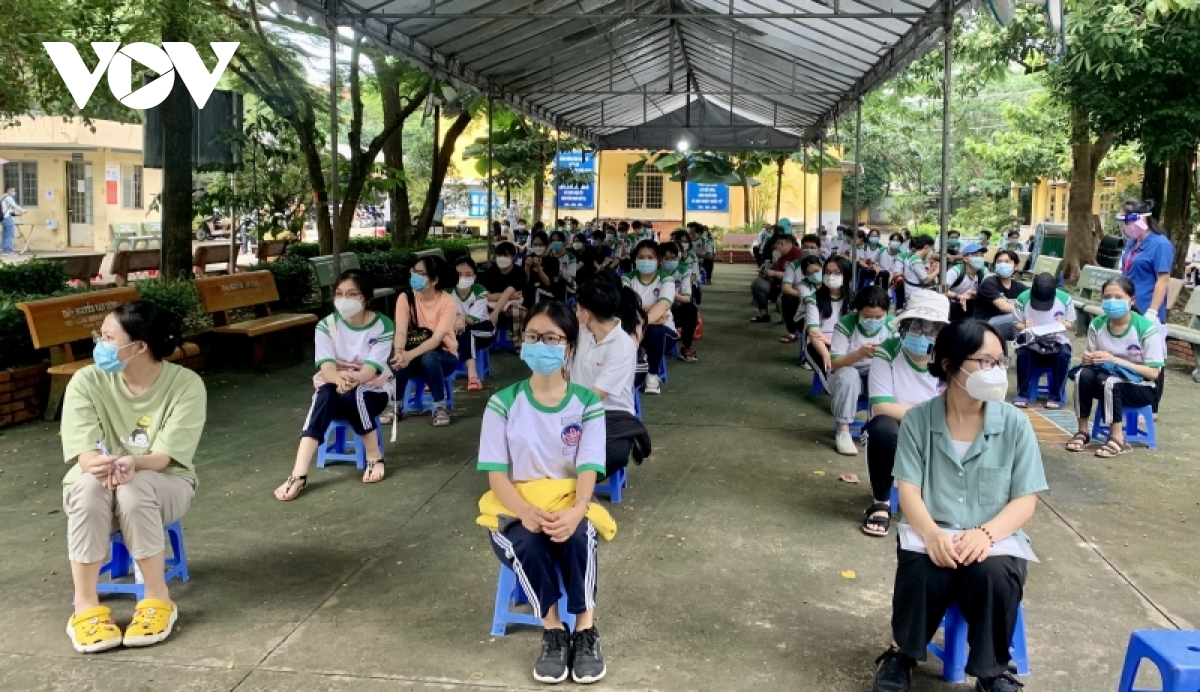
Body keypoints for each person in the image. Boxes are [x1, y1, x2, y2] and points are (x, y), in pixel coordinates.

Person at [870, 319, 1047, 692]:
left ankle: (992, 672)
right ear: (950, 365)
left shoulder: (1015, 424)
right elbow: (909, 490)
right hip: (933, 531)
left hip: (994, 539)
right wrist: (932, 534)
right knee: (921, 571)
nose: (995, 371)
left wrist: (986, 534)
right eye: (984, 361)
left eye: (1000, 362)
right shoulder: (919, 420)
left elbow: (1025, 499)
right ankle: (901, 655)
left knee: (994, 576)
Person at [476, 301, 611, 685]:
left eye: (552, 338)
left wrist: (578, 510)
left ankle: (585, 630)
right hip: (514, 508)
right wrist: (525, 512)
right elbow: (496, 476)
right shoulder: (502, 403)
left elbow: (588, 468)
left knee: (579, 536)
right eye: (533, 336)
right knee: (528, 543)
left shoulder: (587, 404)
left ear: (569, 346)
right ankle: (553, 631)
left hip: (569, 503)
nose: (541, 345)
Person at [62, 301, 207, 651]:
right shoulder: (86, 381)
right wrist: (98, 464)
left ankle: (157, 599)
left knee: (134, 487)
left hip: (165, 482)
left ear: (139, 346)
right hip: (98, 484)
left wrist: (133, 463)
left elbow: (164, 457)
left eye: (108, 338)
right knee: (89, 487)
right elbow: (84, 451)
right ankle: (85, 606)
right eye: (100, 336)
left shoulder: (185, 385)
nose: (100, 344)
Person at [862, 291, 951, 538]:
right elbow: (882, 406)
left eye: (932, 329)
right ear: (903, 326)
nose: (923, 334)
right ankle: (881, 502)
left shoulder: (951, 359)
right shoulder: (887, 351)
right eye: (916, 326)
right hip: (899, 426)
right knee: (881, 427)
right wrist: (928, 413)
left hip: (938, 428)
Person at [1066, 276, 1164, 458]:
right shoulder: (1097, 324)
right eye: (1107, 297)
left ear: (1131, 300)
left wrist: (1115, 360)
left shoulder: (1146, 328)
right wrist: (1088, 359)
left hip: (1142, 387)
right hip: (1104, 382)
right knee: (1082, 375)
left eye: (1118, 297)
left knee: (1110, 381)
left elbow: (1153, 373)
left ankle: (1117, 438)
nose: (1112, 301)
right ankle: (1082, 431)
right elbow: (1092, 360)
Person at [571, 281, 648, 477]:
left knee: (613, 454)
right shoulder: (579, 333)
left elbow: (595, 396)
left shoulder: (622, 346)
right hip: (575, 408)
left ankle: (571, 485)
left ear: (586, 313)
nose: (575, 313)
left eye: (577, 308)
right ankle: (563, 481)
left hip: (611, 414)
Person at [1116, 198, 1173, 414]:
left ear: (1142, 219)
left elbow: (1163, 279)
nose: (1126, 226)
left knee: (1153, 356)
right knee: (1133, 353)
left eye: (1128, 220)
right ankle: (1132, 397)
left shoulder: (1160, 244)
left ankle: (1152, 407)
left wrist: (1152, 310)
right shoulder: (1133, 243)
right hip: (1129, 305)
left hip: (1148, 308)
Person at [392, 255, 459, 427]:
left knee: (429, 357)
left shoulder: (448, 302)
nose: (415, 276)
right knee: (396, 358)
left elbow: (436, 340)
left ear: (434, 280)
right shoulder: (406, 298)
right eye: (414, 271)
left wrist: (409, 355)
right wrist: (399, 352)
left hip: (444, 357)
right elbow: (401, 331)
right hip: (413, 357)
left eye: (421, 273)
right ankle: (395, 406)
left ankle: (440, 407)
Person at [828, 286, 893, 456]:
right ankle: (843, 430)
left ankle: (879, 426)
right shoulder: (847, 324)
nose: (873, 321)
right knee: (848, 375)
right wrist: (859, 353)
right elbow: (834, 363)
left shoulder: (892, 325)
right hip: (847, 374)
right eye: (867, 316)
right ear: (858, 312)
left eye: (878, 317)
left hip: (876, 374)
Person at [1012, 272, 1075, 409]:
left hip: (1056, 340)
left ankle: (1056, 396)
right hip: (1032, 341)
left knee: (1063, 354)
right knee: (1023, 353)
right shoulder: (1022, 298)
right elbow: (1016, 323)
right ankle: (1023, 393)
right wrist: (1025, 325)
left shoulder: (1065, 299)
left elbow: (1071, 323)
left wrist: (1063, 323)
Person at [623, 240, 675, 395]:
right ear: (635, 259)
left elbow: (663, 304)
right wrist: (650, 310)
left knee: (654, 332)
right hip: (633, 327)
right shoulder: (626, 279)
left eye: (650, 257)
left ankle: (652, 375)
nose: (646, 261)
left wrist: (642, 320)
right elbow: (626, 306)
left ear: (658, 260)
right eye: (641, 257)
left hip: (663, 332)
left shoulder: (666, 279)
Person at [802, 256, 854, 391]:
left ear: (846, 275)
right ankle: (833, 390)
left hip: (846, 343)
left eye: (837, 272)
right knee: (830, 369)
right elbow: (814, 333)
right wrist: (826, 354)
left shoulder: (854, 299)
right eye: (827, 272)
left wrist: (832, 341)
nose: (831, 276)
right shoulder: (814, 299)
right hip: (819, 345)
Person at [451, 257, 495, 392]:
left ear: (474, 277)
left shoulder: (479, 291)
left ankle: (472, 374)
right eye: (459, 274)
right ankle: (438, 374)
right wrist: (456, 320)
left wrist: (459, 318)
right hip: (457, 329)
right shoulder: (447, 291)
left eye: (468, 274)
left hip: (484, 330)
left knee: (466, 331)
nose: (463, 278)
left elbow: (471, 320)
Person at [481, 242, 529, 345]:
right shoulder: (490, 272)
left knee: (517, 311)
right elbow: (486, 296)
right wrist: (510, 297)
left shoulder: (519, 273)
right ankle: (484, 341)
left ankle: (518, 342)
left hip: (510, 307)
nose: (502, 258)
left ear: (513, 257)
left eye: (505, 255)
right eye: (499, 255)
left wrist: (496, 312)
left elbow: (508, 292)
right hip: (491, 305)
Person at [974, 250, 1027, 341]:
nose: (1003, 264)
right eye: (999, 262)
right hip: (985, 325)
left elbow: (1033, 299)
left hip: (1003, 323)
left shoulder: (1019, 286)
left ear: (1016, 266)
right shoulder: (989, 282)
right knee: (1016, 318)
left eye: (1007, 262)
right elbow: (1004, 307)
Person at [750, 232, 801, 323]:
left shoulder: (797, 254)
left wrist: (773, 273)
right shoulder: (782, 256)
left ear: (782, 244)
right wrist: (766, 272)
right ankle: (763, 313)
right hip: (778, 285)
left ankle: (790, 318)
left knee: (783, 298)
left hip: (792, 288)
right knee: (758, 283)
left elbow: (794, 277)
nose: (776, 249)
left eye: (777, 246)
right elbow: (775, 270)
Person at [662, 241, 699, 363]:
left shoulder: (683, 271)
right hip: (654, 310)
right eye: (667, 258)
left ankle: (686, 347)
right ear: (660, 259)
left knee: (690, 308)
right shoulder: (655, 271)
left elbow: (687, 298)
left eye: (674, 258)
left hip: (674, 310)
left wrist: (669, 292)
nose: (671, 261)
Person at [780, 249, 823, 343]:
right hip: (807, 315)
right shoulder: (803, 285)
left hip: (825, 314)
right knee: (787, 298)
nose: (814, 275)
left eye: (816, 271)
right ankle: (793, 332)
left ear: (822, 267)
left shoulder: (829, 280)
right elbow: (808, 300)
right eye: (810, 273)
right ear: (805, 275)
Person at [946, 243, 988, 322]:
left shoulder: (984, 271)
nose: (980, 258)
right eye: (976, 255)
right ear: (965, 259)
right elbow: (940, 289)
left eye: (982, 256)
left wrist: (975, 293)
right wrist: (958, 296)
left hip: (974, 303)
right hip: (954, 304)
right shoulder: (955, 271)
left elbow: (988, 290)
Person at [897, 235, 939, 312]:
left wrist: (932, 269)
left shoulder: (913, 257)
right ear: (926, 247)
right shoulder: (917, 261)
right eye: (932, 249)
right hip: (916, 292)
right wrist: (938, 270)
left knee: (943, 288)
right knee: (944, 289)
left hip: (915, 289)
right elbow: (926, 280)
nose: (932, 252)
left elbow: (922, 275)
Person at [526, 230, 563, 306]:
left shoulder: (553, 261)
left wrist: (538, 267)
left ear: (546, 245)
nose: (537, 247)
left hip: (546, 295)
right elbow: (525, 281)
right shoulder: (527, 259)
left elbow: (548, 283)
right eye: (535, 244)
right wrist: (527, 267)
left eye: (540, 245)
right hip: (530, 294)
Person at [1, 185, 25, 255]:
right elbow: (14, 205)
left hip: (3, 218)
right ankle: (8, 250)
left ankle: (5, 250)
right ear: (9, 190)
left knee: (5, 235)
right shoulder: (8, 198)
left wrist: (17, 214)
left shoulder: (2, 197)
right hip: (8, 219)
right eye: (13, 191)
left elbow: (8, 211)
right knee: (10, 235)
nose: (14, 192)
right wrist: (23, 210)